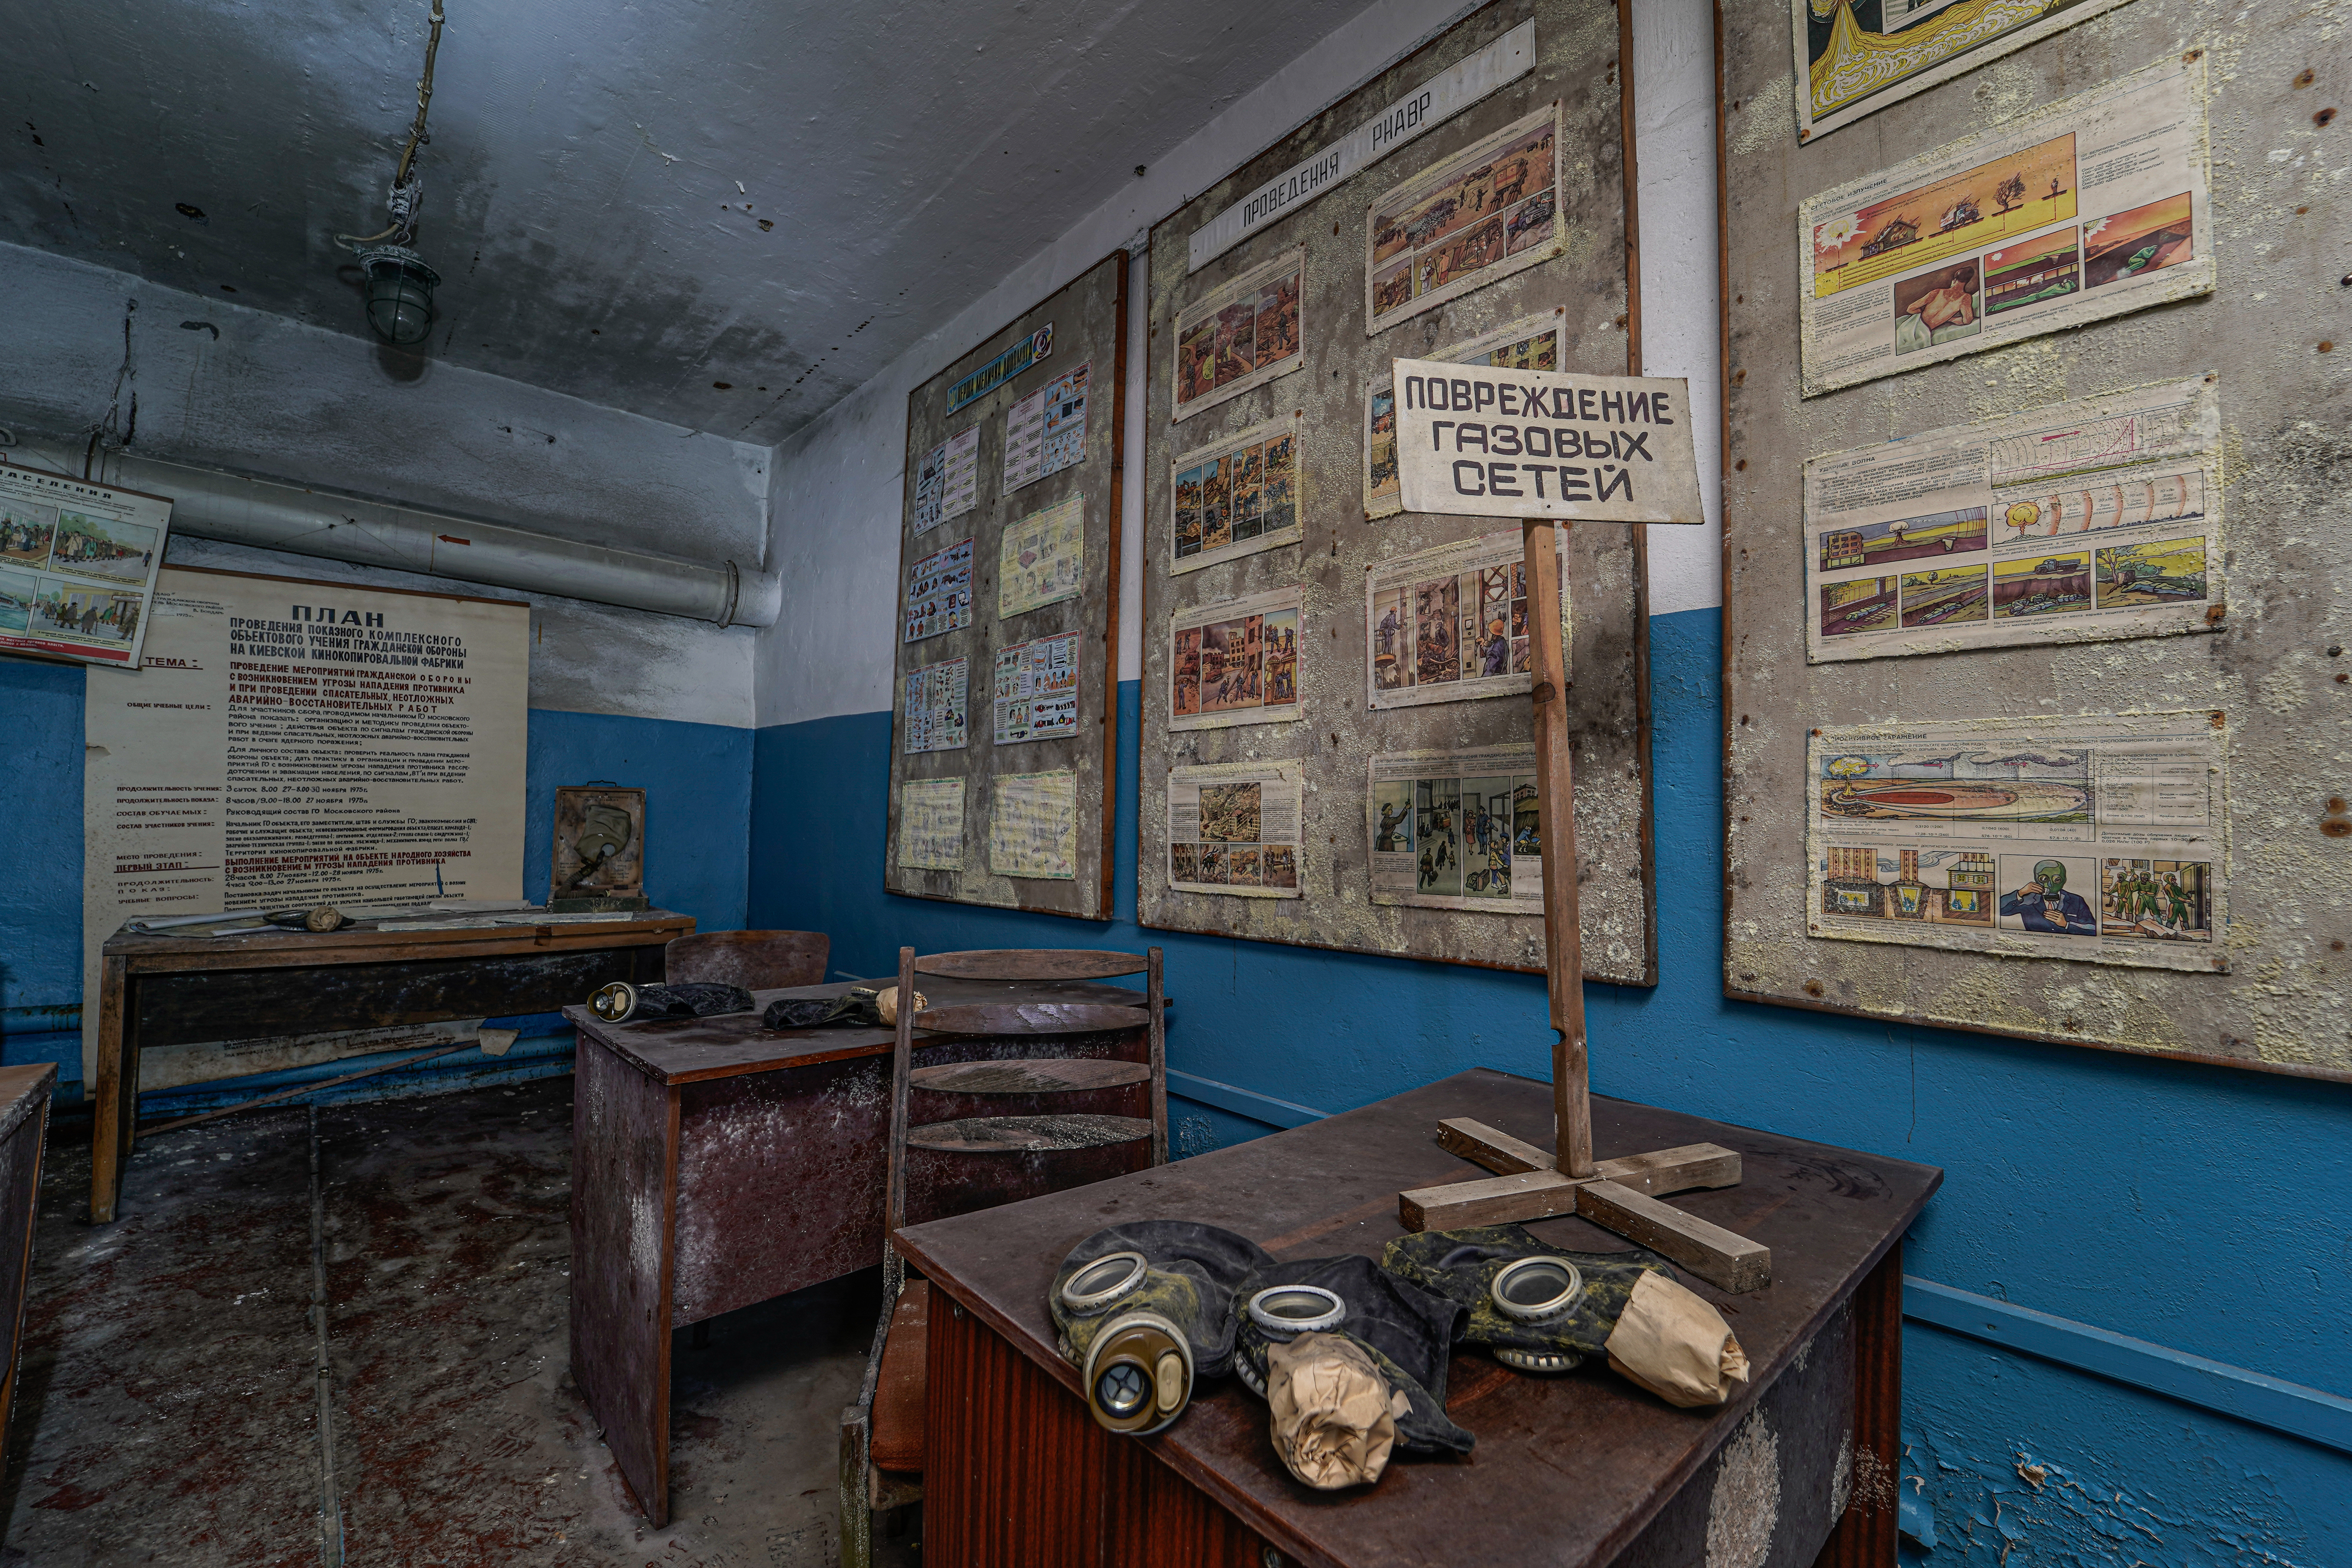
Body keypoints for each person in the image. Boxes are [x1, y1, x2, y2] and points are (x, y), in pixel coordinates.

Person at [2001, 860, 2096, 934]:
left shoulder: (2076, 900)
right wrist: (2020, 893)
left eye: (2057, 880)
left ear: (2064, 880)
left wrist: (2066, 925)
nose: (2050, 885)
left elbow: (2093, 929)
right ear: (2036, 879)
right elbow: (1998, 911)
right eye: (2044, 879)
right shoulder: (2028, 899)